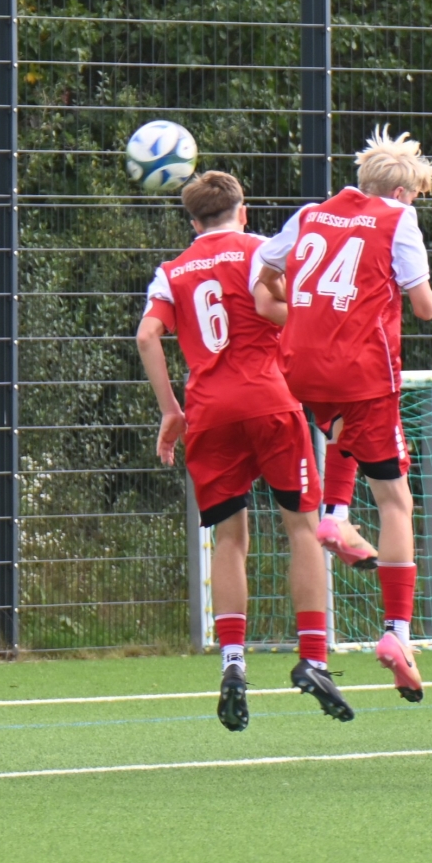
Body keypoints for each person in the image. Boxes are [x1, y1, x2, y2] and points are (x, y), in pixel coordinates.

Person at [137, 171, 350, 729]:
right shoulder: (263, 251)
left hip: (209, 413)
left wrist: (171, 411)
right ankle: (313, 658)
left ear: (193, 222)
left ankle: (233, 663)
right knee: (302, 529)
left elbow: (146, 335)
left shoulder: (172, 271)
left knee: (229, 539)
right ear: (244, 210)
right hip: (271, 401)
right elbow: (301, 309)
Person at [253, 128, 432, 702]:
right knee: (397, 501)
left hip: (301, 367)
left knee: (344, 430)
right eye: (416, 194)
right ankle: (397, 633)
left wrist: (304, 308)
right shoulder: (398, 219)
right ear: (402, 192)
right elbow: (425, 307)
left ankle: (334, 515)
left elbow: (265, 269)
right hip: (362, 372)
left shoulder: (311, 213)